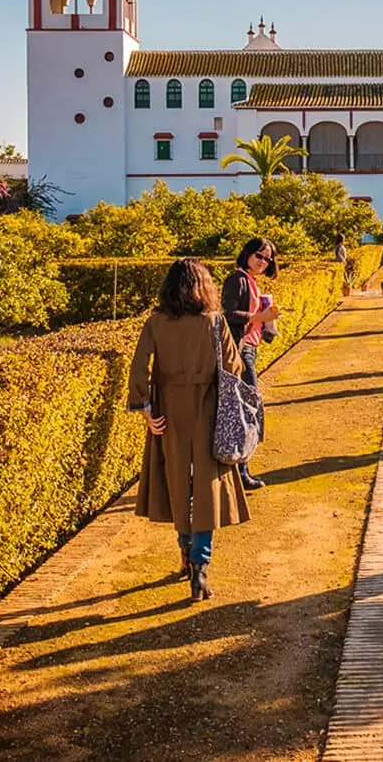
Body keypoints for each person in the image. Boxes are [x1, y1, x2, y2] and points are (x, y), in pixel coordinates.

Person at [127, 258, 249, 602]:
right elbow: (233, 366)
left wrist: (146, 410)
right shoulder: (213, 321)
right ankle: (200, 568)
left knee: (178, 482)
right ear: (204, 286)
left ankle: (185, 553)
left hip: (169, 408)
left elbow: (139, 368)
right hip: (207, 409)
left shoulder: (155, 322)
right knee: (207, 487)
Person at [222, 237, 281, 490]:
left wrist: (266, 324)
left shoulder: (251, 281)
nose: (263, 262)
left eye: (267, 258)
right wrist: (259, 316)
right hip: (240, 351)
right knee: (247, 409)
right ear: (247, 254)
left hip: (249, 348)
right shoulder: (237, 279)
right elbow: (228, 313)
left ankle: (241, 470)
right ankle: (241, 471)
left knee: (246, 408)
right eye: (259, 256)